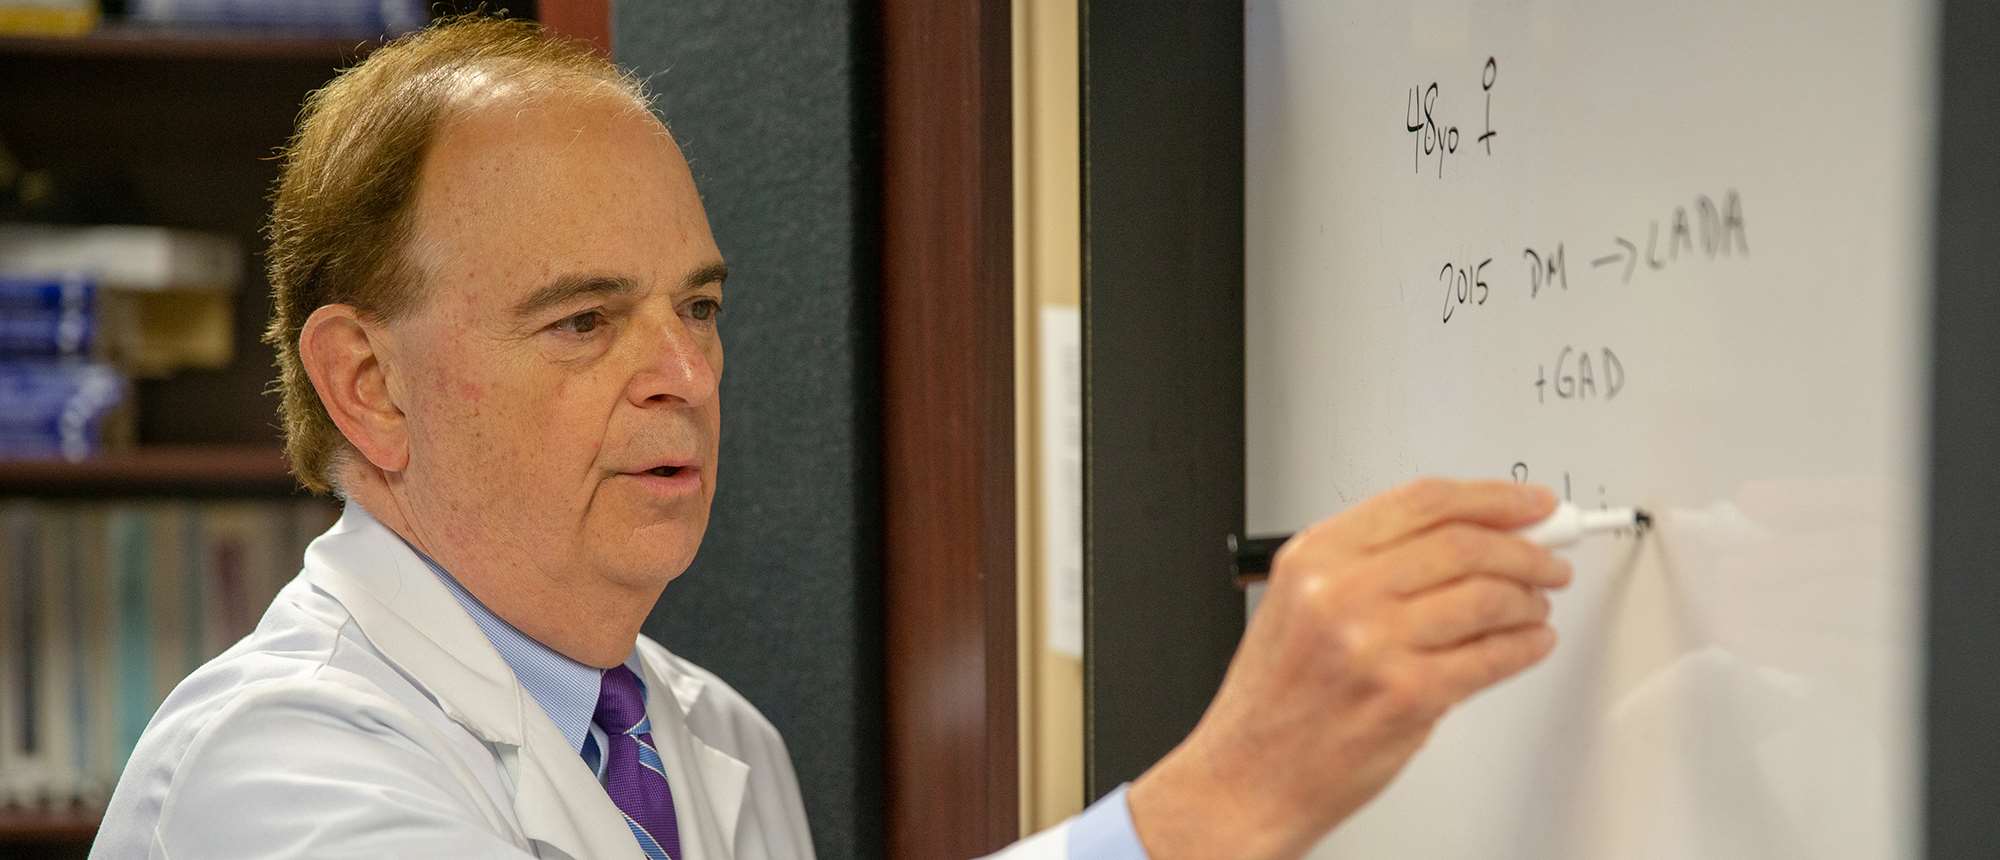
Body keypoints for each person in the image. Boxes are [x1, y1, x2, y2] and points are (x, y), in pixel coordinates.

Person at [90, 16, 1570, 860]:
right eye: (585, 321)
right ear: (367, 385)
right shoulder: (275, 771)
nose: (686, 373)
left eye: (699, 305)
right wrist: (1216, 805)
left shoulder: (711, 745)